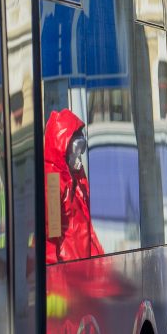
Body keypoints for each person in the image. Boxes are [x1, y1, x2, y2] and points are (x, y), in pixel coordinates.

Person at [45, 108, 104, 264]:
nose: (79, 156)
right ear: (63, 147)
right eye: (76, 149)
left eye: (81, 149)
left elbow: (87, 228)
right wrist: (56, 276)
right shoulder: (53, 180)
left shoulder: (75, 178)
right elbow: (51, 237)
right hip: (69, 272)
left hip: (82, 267)